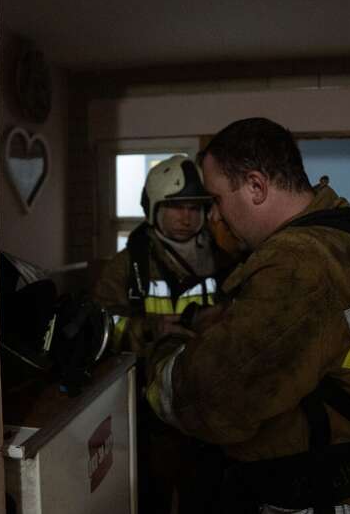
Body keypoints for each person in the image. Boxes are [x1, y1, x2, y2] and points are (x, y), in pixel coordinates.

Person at [145, 118, 350, 513]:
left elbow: (214, 398)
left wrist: (166, 352)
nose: (214, 217)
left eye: (217, 200)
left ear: (256, 187)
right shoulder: (345, 232)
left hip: (318, 498)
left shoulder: (300, 264)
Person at [92, 154, 222, 514]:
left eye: (194, 208)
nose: (186, 217)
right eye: (175, 206)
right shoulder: (128, 265)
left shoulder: (222, 257)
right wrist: (149, 330)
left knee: (207, 494)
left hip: (206, 401)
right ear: (153, 208)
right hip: (148, 407)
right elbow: (99, 327)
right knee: (151, 494)